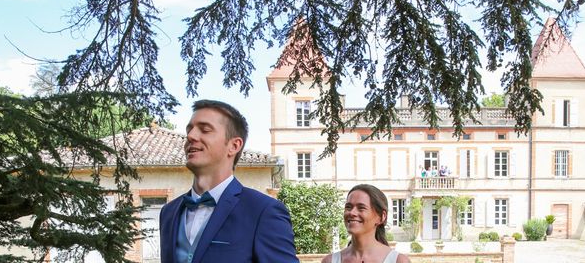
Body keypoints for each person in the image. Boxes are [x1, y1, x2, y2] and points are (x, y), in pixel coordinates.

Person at [159, 99, 299, 263]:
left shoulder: (263, 211)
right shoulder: (168, 213)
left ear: (234, 146)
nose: (190, 136)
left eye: (204, 129)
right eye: (189, 129)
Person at [321, 184, 411, 263]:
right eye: (348, 207)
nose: (352, 213)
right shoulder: (330, 261)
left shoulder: (398, 261)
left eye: (361, 208)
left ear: (381, 217)